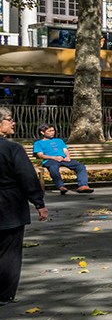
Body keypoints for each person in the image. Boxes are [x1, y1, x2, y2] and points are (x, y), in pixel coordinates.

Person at [1, 108, 50, 304]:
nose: (13, 123)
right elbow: (26, 177)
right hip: (8, 203)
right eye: (9, 119)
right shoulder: (12, 149)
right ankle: (4, 293)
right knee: (9, 250)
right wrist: (38, 202)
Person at [31, 123, 92, 195]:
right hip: (50, 160)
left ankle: (83, 185)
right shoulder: (38, 143)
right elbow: (40, 155)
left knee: (80, 166)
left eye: (53, 130)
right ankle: (61, 186)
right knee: (53, 168)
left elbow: (65, 150)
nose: (52, 132)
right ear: (42, 132)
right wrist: (54, 158)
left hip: (63, 159)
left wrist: (67, 157)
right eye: (49, 131)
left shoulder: (59, 140)